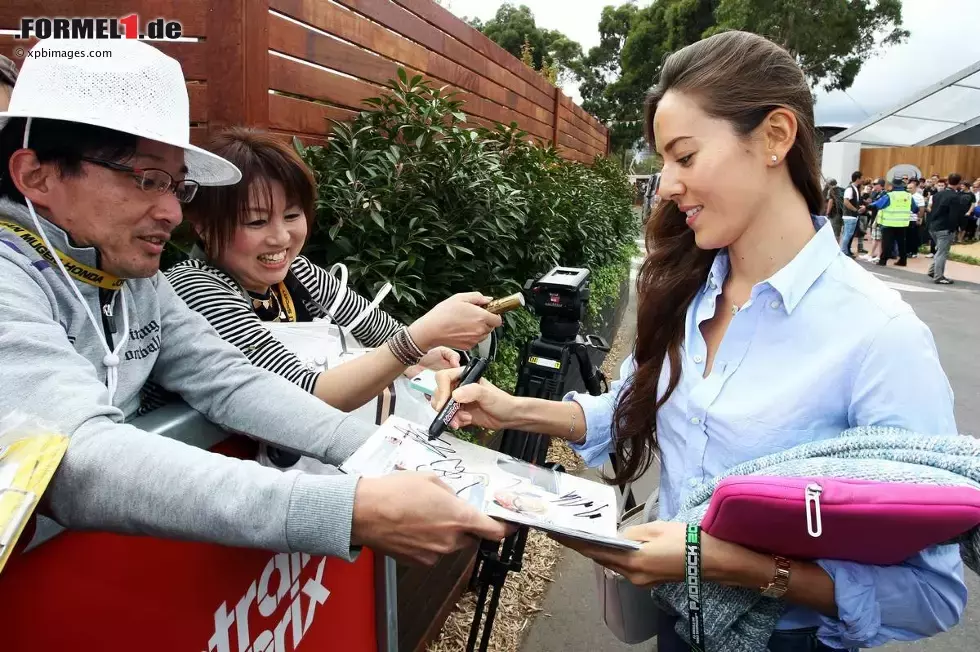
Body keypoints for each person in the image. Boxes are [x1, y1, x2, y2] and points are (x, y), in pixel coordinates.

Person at [432, 30, 965, 651]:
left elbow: (931, 593)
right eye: (664, 162)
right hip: (678, 624)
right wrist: (508, 407)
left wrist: (722, 562)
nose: (665, 185)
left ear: (774, 137)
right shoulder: (690, 290)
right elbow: (630, 404)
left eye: (684, 157)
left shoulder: (881, 337)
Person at [0, 38, 507, 567]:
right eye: (148, 179)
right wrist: (347, 509)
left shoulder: (131, 278)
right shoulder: (12, 279)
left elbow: (230, 381)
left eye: (177, 185)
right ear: (37, 175)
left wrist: (390, 456)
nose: (171, 211)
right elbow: (72, 457)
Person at [159, 127, 501, 468]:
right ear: (203, 225)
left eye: (292, 215)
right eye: (256, 221)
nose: (281, 238)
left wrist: (424, 359)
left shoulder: (300, 274)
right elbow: (306, 397)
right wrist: (420, 338)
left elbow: (382, 332)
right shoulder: (196, 287)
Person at [867, 176, 918, 267]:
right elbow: (915, 209)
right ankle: (903, 260)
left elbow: (878, 205)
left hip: (888, 224)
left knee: (886, 243)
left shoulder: (890, 195)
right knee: (901, 243)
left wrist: (867, 207)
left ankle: (883, 261)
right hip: (902, 223)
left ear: (893, 186)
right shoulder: (908, 195)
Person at [927, 174, 963, 285]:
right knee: (942, 252)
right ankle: (938, 276)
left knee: (939, 251)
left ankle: (933, 271)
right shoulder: (955, 197)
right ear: (959, 183)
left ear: (948, 181)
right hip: (945, 227)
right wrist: (954, 228)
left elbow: (932, 209)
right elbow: (954, 215)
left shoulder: (938, 194)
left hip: (933, 225)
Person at [840, 170, 864, 256]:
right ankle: (843, 251)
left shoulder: (855, 188)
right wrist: (855, 210)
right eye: (861, 178)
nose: (862, 180)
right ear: (857, 178)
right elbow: (846, 201)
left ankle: (845, 250)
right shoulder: (850, 188)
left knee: (849, 234)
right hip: (850, 216)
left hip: (853, 216)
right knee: (848, 234)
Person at [906, 178, 924, 257]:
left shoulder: (919, 197)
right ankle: (906, 251)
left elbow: (922, 209)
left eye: (910, 188)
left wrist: (919, 218)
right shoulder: (905, 195)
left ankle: (913, 252)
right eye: (908, 188)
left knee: (913, 236)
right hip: (905, 219)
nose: (908, 189)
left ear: (915, 188)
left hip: (913, 219)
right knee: (906, 236)